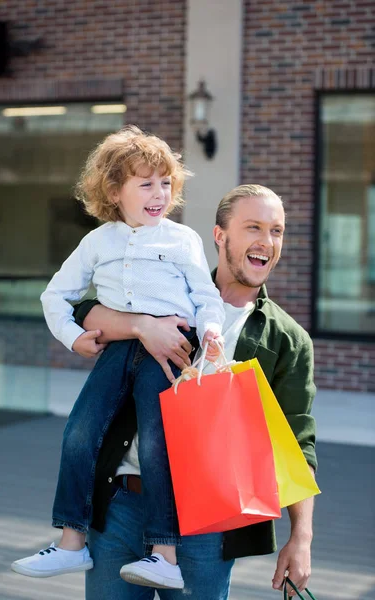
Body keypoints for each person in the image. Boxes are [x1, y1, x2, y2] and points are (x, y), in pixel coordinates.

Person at [75, 184, 318, 600]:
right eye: (253, 227)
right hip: (123, 505)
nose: (267, 241)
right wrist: (141, 326)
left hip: (208, 525)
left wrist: (302, 538)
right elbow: (83, 310)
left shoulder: (287, 339)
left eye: (276, 231)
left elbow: (297, 445)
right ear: (220, 235)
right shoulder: (167, 290)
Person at [10, 126, 225, 589]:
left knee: (156, 444)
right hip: (118, 349)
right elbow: (55, 296)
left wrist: (210, 332)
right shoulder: (97, 242)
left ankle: (164, 554)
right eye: (145, 183)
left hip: (169, 348)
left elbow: (207, 295)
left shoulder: (181, 239)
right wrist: (72, 337)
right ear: (113, 189)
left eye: (165, 182)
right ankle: (71, 544)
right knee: (79, 433)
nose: (158, 193)